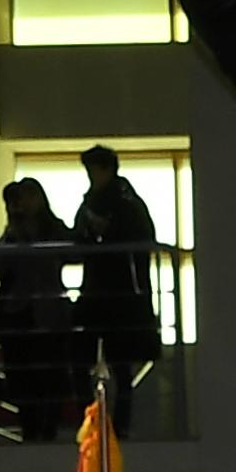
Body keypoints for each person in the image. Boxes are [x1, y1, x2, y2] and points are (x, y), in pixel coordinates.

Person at [72, 144, 163, 439]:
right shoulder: (92, 203)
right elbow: (78, 240)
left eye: (93, 170)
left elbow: (139, 240)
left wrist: (106, 234)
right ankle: (95, 421)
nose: (90, 176)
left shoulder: (126, 204)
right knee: (84, 360)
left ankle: (118, 424)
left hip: (119, 293)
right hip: (98, 291)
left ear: (106, 170)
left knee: (121, 365)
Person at [0, 178, 80, 443]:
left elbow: (73, 251)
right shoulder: (11, 233)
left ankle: (48, 427)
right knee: (21, 375)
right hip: (17, 312)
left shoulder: (53, 228)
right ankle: (30, 428)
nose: (26, 203)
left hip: (47, 311)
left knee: (51, 373)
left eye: (30, 196)